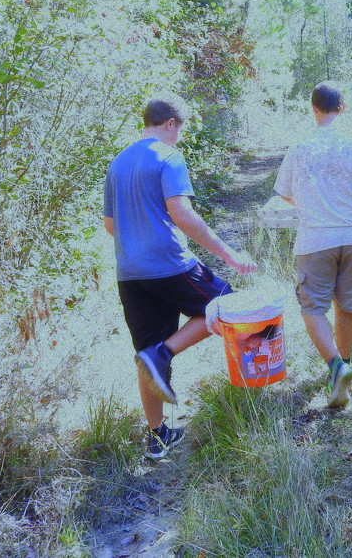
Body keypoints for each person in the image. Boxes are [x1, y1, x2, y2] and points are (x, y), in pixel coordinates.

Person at [103, 99, 257, 459]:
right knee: (225, 304)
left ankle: (157, 438)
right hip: (168, 264)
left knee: (146, 352)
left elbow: (111, 226)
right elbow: (183, 214)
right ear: (171, 124)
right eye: (180, 130)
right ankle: (165, 353)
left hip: (129, 272)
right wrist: (228, 255)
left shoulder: (118, 162)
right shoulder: (168, 158)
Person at [273, 83, 352, 408]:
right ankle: (343, 363)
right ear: (342, 107)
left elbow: (284, 192)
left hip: (316, 239)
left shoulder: (301, 145)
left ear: (313, 108)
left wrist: (311, 200)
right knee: (347, 306)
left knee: (312, 307)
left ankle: (336, 366)